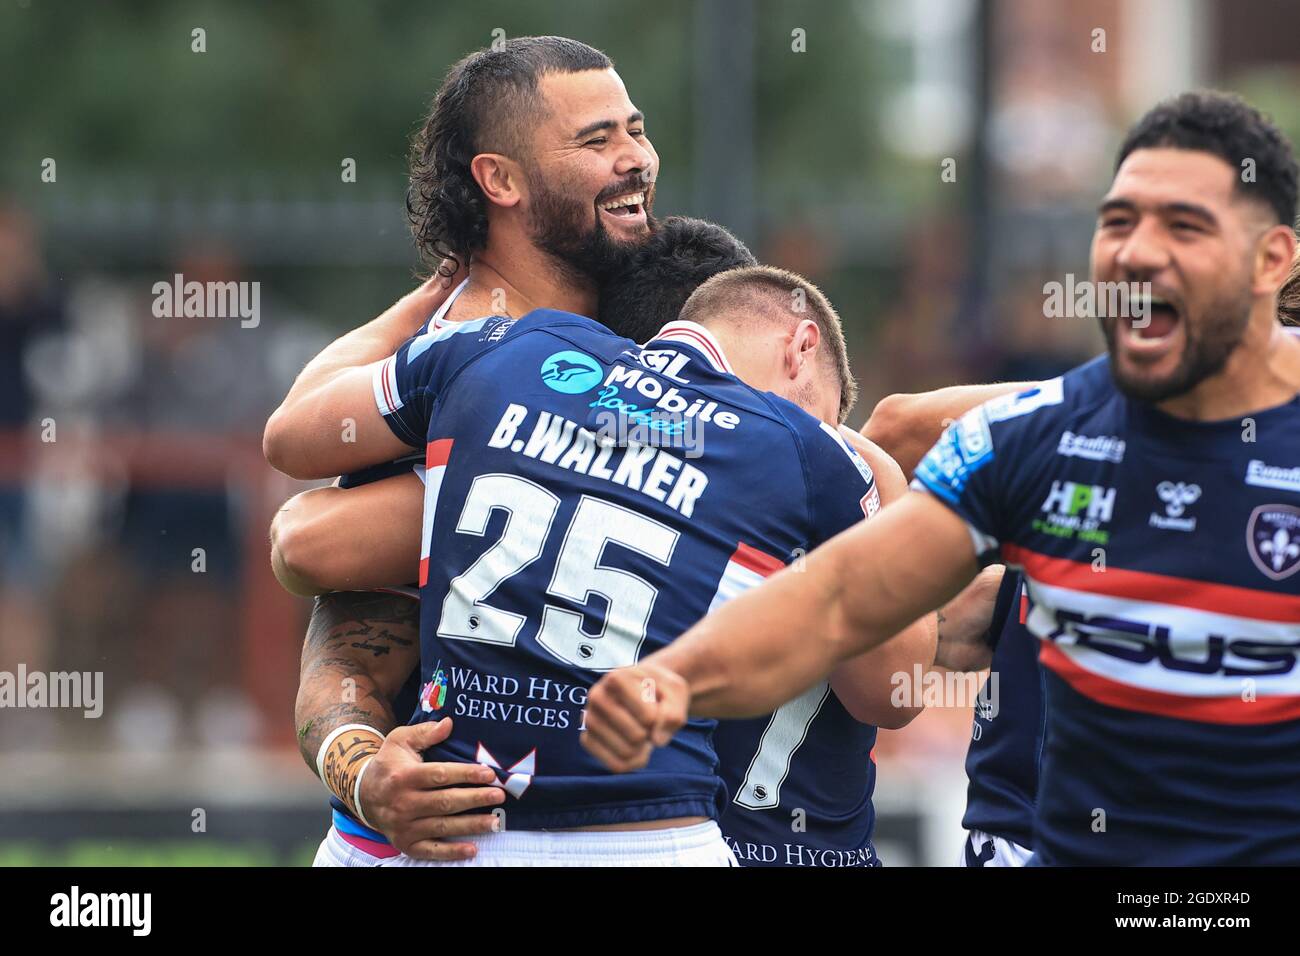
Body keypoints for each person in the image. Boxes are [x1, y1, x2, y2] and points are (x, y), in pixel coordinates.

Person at [582, 90, 1300, 866]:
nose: (1136, 253)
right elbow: (838, 598)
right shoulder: (1044, 434)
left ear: (1271, 262)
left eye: (1184, 227)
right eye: (1119, 221)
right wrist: (673, 680)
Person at [266, 260, 935, 865]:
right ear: (802, 346)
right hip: (649, 831)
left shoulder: (505, 352)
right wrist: (868, 463)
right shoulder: (809, 456)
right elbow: (896, 685)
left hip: (445, 829)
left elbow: (296, 476)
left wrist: (425, 304)